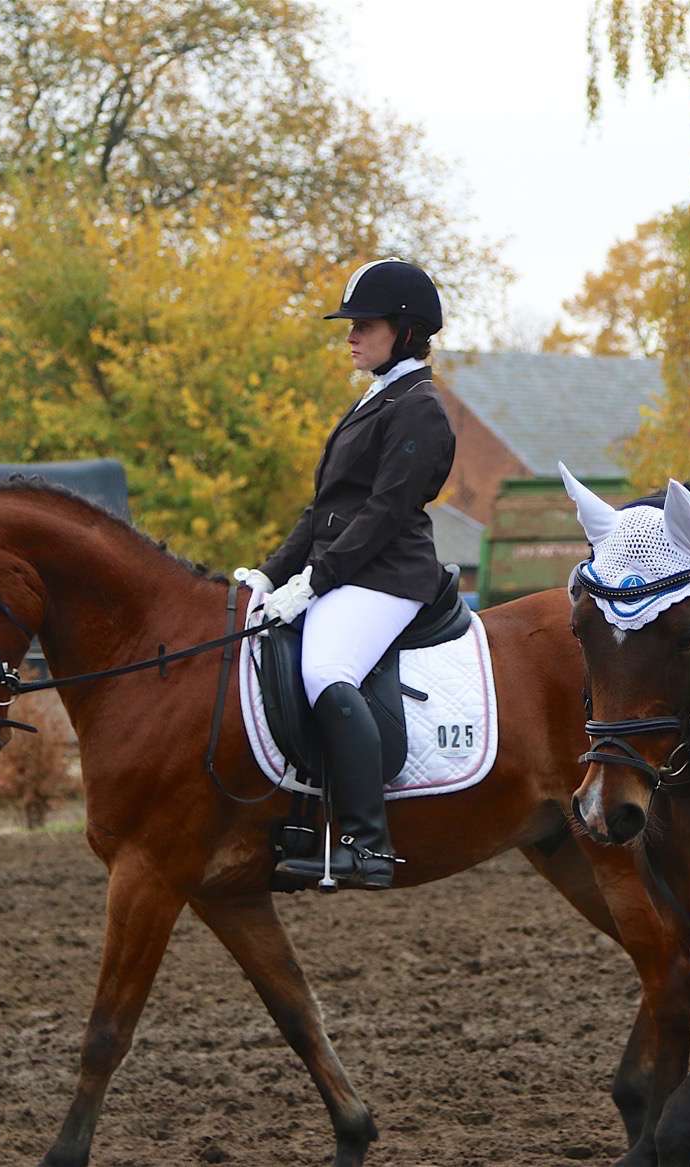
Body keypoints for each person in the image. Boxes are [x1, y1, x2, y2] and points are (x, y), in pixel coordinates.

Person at [235, 258, 456, 891]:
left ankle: (368, 844)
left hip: (388, 576)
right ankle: (302, 818)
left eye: (365, 324)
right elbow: (324, 510)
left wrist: (316, 581)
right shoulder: (377, 398)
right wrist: (268, 576)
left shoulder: (420, 409)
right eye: (351, 324)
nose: (351, 334)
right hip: (350, 569)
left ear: (406, 331)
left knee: (325, 672)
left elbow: (385, 513)